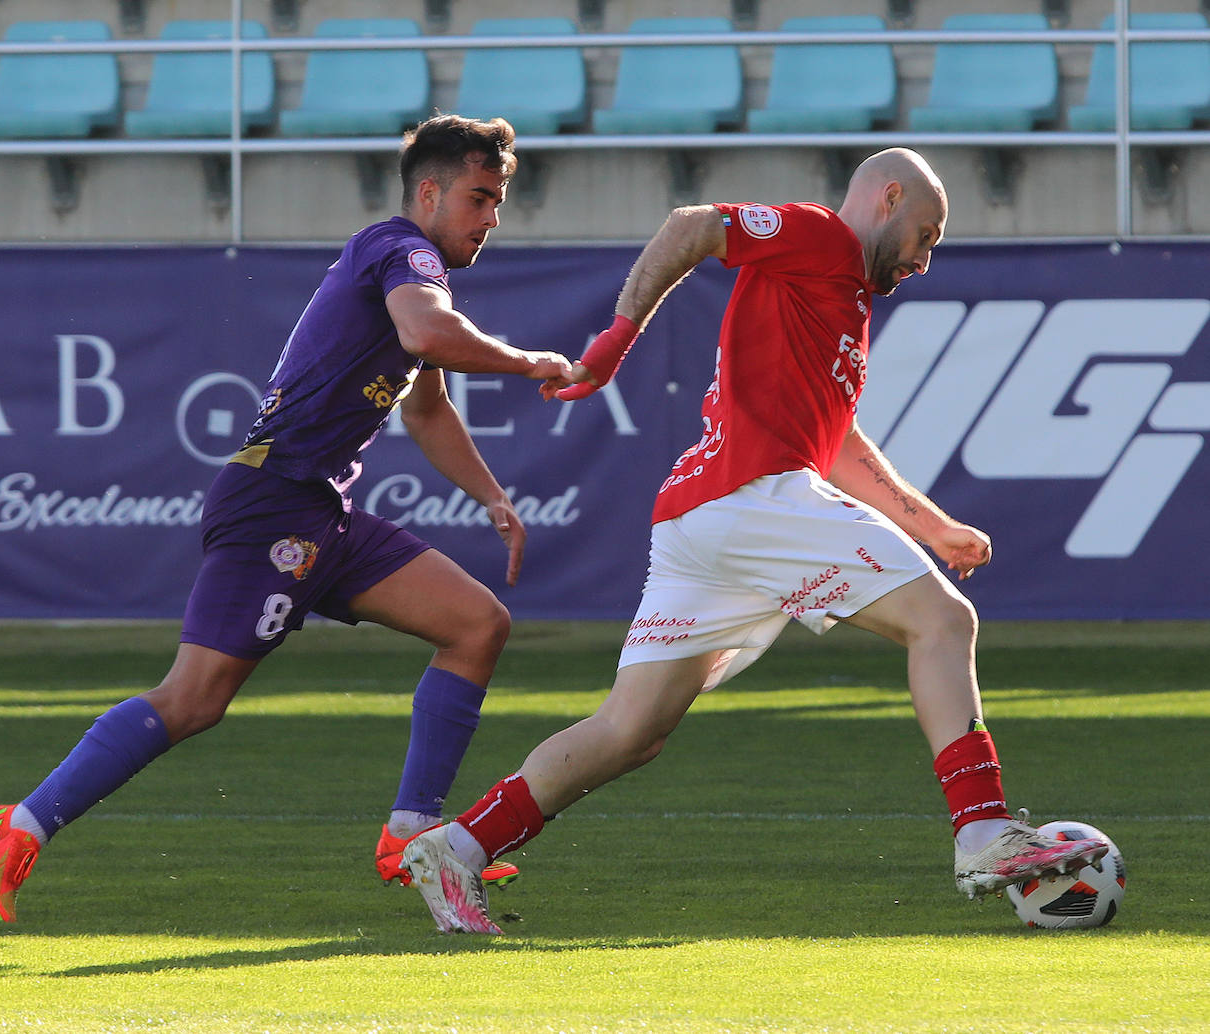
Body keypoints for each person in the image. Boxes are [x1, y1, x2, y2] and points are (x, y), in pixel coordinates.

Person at [403, 147, 1109, 935]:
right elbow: (692, 226)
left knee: (630, 732)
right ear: (889, 196)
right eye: (926, 234)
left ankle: (458, 847)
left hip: (701, 520)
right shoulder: (820, 238)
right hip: (750, 494)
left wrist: (931, 525)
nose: (924, 259)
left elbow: (833, 446)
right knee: (943, 623)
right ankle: (982, 831)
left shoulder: (842, 302)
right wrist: (614, 340)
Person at [0, 114, 572, 923]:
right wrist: (529, 360)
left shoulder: (417, 274)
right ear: (428, 193)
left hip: (324, 506)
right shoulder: (402, 251)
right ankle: (20, 823)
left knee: (476, 624)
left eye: (497, 202)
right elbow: (429, 333)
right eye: (479, 197)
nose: (491, 218)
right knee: (195, 699)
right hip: (274, 500)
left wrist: (491, 496)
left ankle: (411, 834)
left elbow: (427, 409)